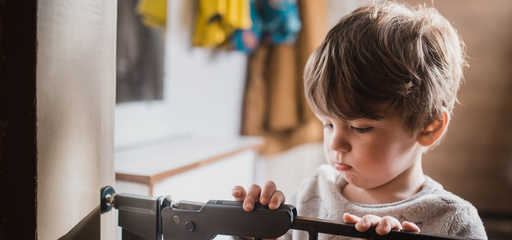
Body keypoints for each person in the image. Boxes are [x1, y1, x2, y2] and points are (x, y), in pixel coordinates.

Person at [231, 1, 488, 239]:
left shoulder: (454, 223)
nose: (335, 144)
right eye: (328, 124)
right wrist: (253, 230)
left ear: (429, 127)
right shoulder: (313, 192)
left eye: (359, 128)